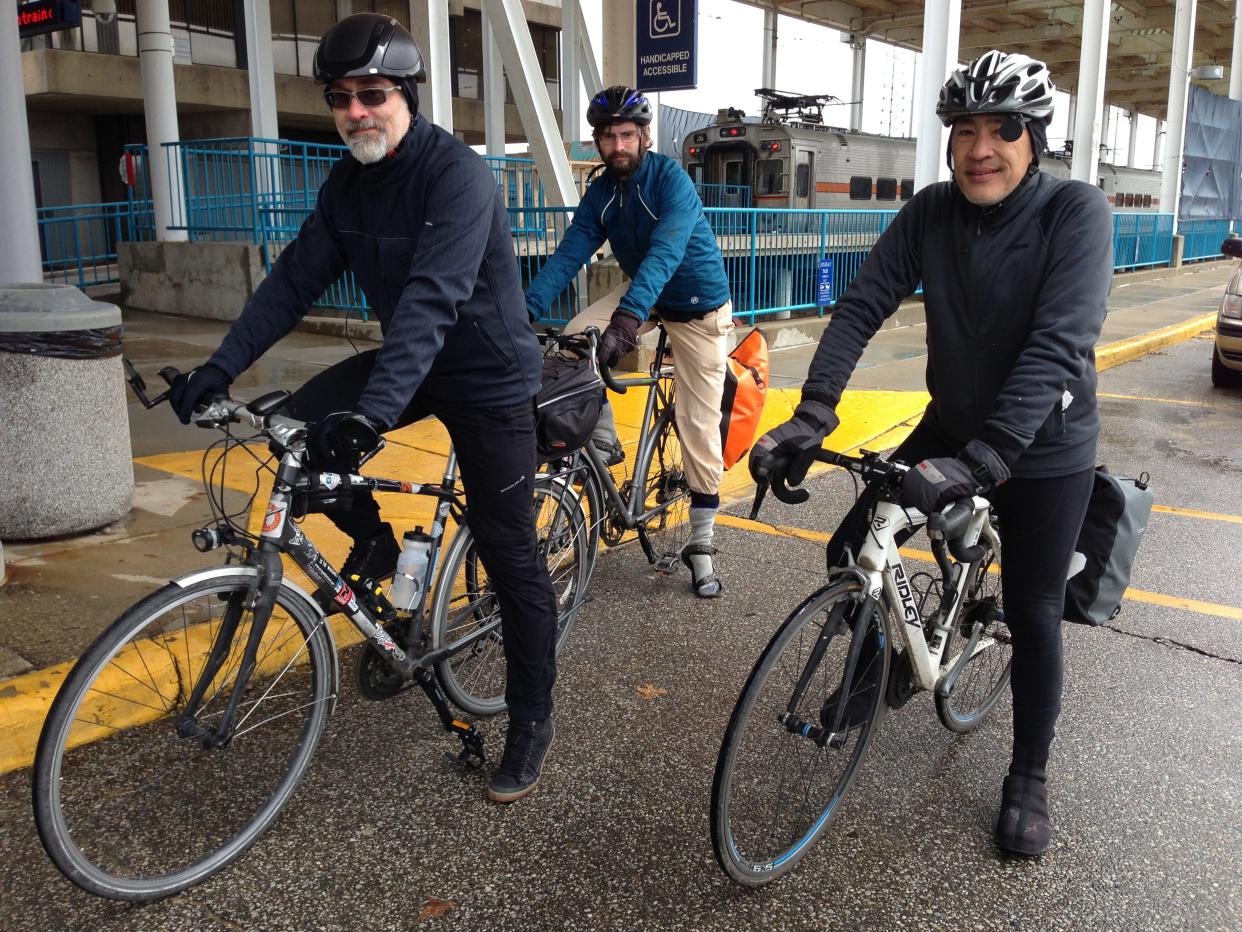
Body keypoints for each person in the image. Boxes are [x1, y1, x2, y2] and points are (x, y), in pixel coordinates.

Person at [167, 13, 557, 804]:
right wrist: (221, 367)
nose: (354, 112)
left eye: (371, 95)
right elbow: (292, 280)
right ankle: (376, 546)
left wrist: (371, 416)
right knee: (296, 444)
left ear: (405, 94)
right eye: (340, 98)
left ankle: (531, 718)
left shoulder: (457, 176)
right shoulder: (347, 182)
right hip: (410, 366)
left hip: (486, 376)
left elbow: (432, 297)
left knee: (510, 552)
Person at [749, 50, 1113, 857]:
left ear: (1035, 139)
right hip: (952, 424)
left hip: (1045, 449)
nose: (981, 149)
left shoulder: (1075, 213)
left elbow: (1058, 346)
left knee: (1032, 612)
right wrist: (812, 413)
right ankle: (885, 663)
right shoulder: (931, 213)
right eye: (965, 132)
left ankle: (1028, 776)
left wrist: (985, 464)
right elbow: (862, 304)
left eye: (1003, 131)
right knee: (855, 548)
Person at [525, 86, 734, 598]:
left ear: (644, 136)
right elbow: (569, 254)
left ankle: (703, 546)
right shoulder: (602, 192)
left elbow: (664, 254)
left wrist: (625, 324)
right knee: (575, 339)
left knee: (698, 426)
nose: (617, 146)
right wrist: (519, 312)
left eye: (626, 135)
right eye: (607, 137)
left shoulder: (671, 182)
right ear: (598, 141)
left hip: (699, 307)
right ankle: (603, 438)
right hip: (648, 295)